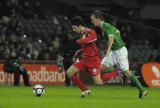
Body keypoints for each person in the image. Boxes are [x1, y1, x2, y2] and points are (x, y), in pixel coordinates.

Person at [90, 10, 148, 99]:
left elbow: (111, 38)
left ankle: (142, 90)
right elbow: (118, 32)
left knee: (127, 73)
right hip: (114, 51)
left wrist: (108, 49)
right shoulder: (104, 27)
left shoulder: (106, 26)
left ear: (98, 19)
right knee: (101, 68)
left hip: (120, 51)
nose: (92, 21)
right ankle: (117, 69)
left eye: (93, 19)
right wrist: (117, 41)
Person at [66, 16, 117, 97]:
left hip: (93, 60)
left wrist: (80, 41)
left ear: (79, 25)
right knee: (69, 72)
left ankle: (116, 72)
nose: (73, 30)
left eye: (75, 28)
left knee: (98, 83)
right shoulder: (81, 34)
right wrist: (76, 54)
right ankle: (85, 90)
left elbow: (93, 39)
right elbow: (84, 48)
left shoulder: (90, 31)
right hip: (85, 60)